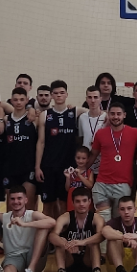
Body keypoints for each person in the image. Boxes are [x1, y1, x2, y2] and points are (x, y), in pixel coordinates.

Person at [35, 80, 83, 218]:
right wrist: (37, 167)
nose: (59, 95)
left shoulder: (75, 111)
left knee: (64, 204)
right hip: (49, 165)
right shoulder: (45, 115)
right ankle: (48, 231)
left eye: (62, 93)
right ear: (51, 95)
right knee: (48, 204)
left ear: (67, 94)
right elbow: (41, 142)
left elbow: (98, 113)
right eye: (56, 93)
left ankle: (62, 231)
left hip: (68, 167)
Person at [90, 104, 137, 221]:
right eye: (112, 114)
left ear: (124, 115)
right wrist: (82, 169)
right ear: (108, 115)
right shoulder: (100, 133)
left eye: (118, 114)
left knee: (118, 221)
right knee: (104, 219)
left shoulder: (135, 133)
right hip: (102, 184)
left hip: (123, 184)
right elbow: (93, 155)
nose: (115, 117)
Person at [49, 188, 106, 272]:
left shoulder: (96, 218)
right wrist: (66, 244)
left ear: (89, 201)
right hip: (69, 259)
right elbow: (52, 235)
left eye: (84, 201)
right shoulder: (65, 217)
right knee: (60, 241)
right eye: (78, 201)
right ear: (73, 203)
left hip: (88, 260)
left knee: (93, 242)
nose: (81, 204)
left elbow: (101, 236)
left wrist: (82, 242)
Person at [1, 190, 56, 272]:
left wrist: (24, 224)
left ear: (26, 200)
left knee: (43, 226)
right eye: (12, 199)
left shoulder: (33, 215)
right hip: (14, 257)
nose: (16, 201)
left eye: (19, 198)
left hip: (33, 256)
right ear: (8, 201)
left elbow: (52, 222)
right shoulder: (3, 217)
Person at [2, 88, 38, 205]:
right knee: (11, 206)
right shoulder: (5, 119)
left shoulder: (34, 119)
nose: (18, 102)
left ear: (27, 100)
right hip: (10, 168)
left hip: (28, 168)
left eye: (22, 99)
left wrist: (32, 109)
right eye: (16, 99)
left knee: (28, 205)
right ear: (11, 100)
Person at [79, 85, 107, 173]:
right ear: (86, 99)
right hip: (86, 162)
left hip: (102, 162)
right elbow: (81, 138)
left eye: (95, 97)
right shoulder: (82, 118)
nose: (93, 100)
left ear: (100, 99)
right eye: (90, 97)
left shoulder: (107, 118)